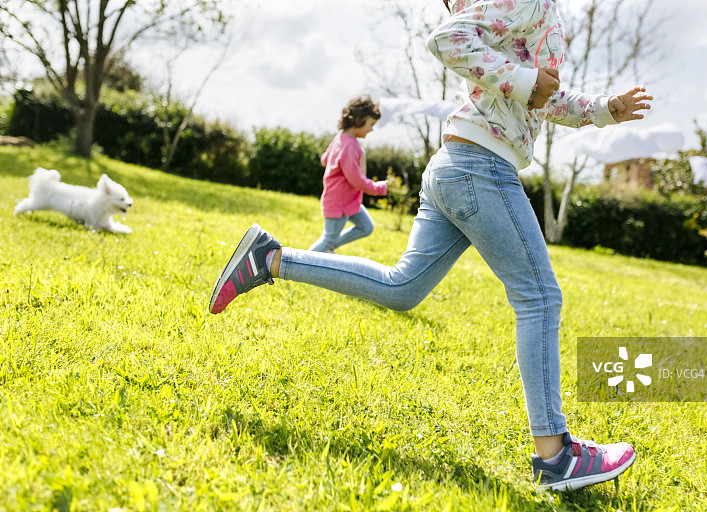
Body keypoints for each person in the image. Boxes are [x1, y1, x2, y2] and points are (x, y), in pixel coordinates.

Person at [209, 0, 653, 491]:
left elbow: (542, 97)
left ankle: (269, 259)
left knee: (403, 289)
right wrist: (528, 84)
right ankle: (555, 457)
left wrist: (602, 110)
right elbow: (448, 39)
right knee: (539, 296)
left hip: (458, 163)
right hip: (480, 166)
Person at [309, 95, 387, 253]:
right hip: (338, 202)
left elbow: (325, 159)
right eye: (370, 124)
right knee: (328, 239)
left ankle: (330, 247)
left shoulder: (340, 138)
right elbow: (356, 179)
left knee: (366, 227)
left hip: (349, 202)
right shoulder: (350, 146)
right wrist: (378, 188)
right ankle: (297, 262)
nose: (372, 129)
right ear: (359, 119)